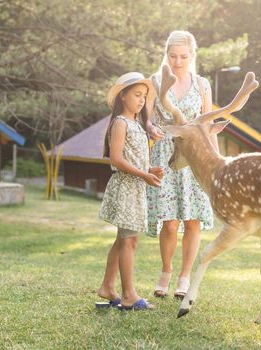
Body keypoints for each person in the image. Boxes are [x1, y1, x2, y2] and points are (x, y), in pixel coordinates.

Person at [146, 31, 217, 299]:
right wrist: (151, 128)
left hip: (194, 156)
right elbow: (146, 119)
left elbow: (208, 126)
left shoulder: (202, 84)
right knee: (171, 222)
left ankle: (185, 277)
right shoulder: (154, 82)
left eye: (183, 57)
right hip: (165, 153)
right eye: (173, 56)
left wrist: (216, 164)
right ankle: (166, 271)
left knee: (193, 221)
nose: (177, 61)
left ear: (192, 55)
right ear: (166, 54)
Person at [97, 72, 164, 310]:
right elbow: (116, 158)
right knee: (129, 241)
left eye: (144, 97)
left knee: (124, 239)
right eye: (137, 95)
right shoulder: (120, 123)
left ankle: (107, 286)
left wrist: (149, 169)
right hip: (126, 187)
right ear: (122, 96)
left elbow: (133, 157)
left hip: (136, 186)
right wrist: (143, 174)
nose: (141, 101)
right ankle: (128, 295)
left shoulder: (137, 124)